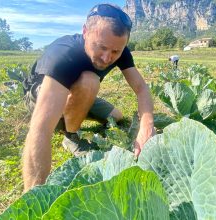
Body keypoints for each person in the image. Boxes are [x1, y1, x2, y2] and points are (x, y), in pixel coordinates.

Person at [22, 4, 155, 192]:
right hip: (41, 92)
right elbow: (40, 129)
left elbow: (141, 88)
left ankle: (72, 113)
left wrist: (147, 126)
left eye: (116, 52)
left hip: (78, 91)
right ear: (85, 31)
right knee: (90, 80)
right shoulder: (64, 54)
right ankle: (71, 136)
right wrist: (34, 197)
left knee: (116, 116)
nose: (107, 57)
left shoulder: (119, 49)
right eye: (101, 47)